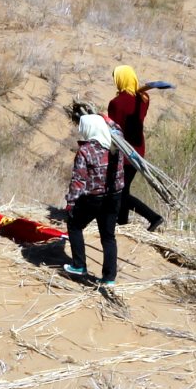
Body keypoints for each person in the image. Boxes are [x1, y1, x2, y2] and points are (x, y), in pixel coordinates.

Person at [62, 114, 120, 287]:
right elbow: (118, 129)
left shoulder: (86, 151)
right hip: (115, 196)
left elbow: (78, 180)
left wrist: (71, 202)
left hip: (94, 198)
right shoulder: (116, 143)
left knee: (74, 225)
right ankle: (109, 277)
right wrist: (109, 119)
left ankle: (79, 265)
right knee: (108, 237)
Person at [106, 65, 164, 232]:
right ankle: (122, 222)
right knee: (124, 188)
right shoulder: (143, 100)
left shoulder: (115, 103)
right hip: (138, 150)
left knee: (120, 192)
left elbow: (114, 130)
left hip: (123, 152)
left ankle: (153, 217)